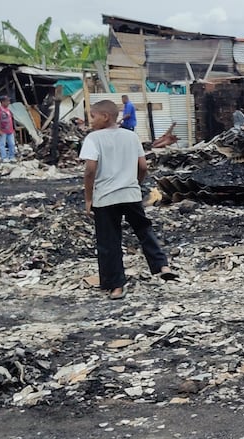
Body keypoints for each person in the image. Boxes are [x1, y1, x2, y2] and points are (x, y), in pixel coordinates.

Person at [79, 99, 176, 300]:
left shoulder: (93, 138)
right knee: (144, 229)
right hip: (130, 194)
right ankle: (161, 265)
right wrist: (135, 184)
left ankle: (116, 286)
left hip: (105, 198)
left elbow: (89, 170)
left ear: (105, 117)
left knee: (109, 242)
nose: (91, 121)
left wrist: (88, 198)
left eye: (93, 116)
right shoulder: (131, 136)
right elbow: (143, 167)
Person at [0, 96, 17, 162]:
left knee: (12, 144)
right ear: (2, 102)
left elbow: (11, 120)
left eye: (9, 101)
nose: (9, 103)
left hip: (10, 131)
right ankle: (4, 158)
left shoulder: (8, 110)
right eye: (7, 101)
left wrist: (13, 130)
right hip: (2, 131)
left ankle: (11, 156)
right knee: (2, 144)